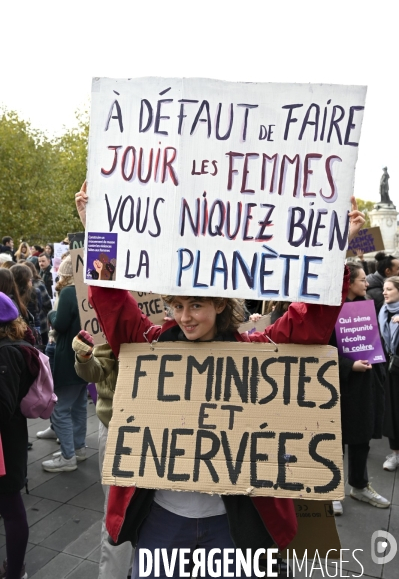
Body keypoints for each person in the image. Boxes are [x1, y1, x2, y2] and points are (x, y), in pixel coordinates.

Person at [75, 183, 365, 577]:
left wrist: (334, 247)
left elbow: (308, 321)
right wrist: (98, 231)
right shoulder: (151, 344)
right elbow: (112, 303)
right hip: (163, 518)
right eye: (176, 306)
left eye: (196, 305)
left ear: (221, 303)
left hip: (235, 523)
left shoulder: (255, 348)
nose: (185, 317)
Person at [73, 333, 134, 579]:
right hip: (118, 425)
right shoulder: (109, 315)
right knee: (117, 510)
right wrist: (84, 355)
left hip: (163, 427)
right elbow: (94, 372)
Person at [330, 263, 388, 515]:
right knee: (335, 440)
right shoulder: (329, 312)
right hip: (339, 386)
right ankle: (332, 491)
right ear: (348, 282)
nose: (367, 284)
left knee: (361, 438)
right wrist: (349, 365)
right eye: (362, 280)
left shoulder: (366, 307)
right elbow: (321, 350)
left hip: (366, 385)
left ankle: (359, 484)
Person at [0, 293, 40, 579]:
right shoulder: (13, 348)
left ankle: (14, 571)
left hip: (5, 444)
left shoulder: (6, 353)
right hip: (9, 441)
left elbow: (3, 407)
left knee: (11, 508)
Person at [41, 256, 87, 472]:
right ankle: (77, 448)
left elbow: (59, 324)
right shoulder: (88, 290)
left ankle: (68, 457)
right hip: (85, 357)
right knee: (78, 406)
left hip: (68, 356)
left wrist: (51, 313)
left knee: (59, 409)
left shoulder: (69, 292)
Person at [378, 276, 399, 471]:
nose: (385, 292)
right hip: (391, 370)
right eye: (384, 289)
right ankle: (395, 454)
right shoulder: (383, 311)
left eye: (389, 289)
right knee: (392, 411)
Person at [22, 261, 52, 346]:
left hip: (34, 323)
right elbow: (47, 303)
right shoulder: (37, 286)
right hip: (39, 322)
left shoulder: (37, 286)